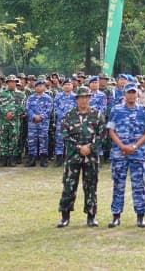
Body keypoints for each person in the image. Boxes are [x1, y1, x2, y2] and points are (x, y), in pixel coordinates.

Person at [58, 86, 106, 228]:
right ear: (77, 99)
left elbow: (102, 135)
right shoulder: (69, 115)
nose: (84, 100)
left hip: (91, 157)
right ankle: (65, 216)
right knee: (69, 185)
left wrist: (90, 147)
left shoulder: (97, 115)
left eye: (86, 97)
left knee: (91, 185)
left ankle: (91, 216)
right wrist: (79, 148)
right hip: (73, 156)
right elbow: (64, 135)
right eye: (81, 98)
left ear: (89, 99)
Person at [107, 84, 145, 228]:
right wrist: (122, 146)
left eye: (134, 92)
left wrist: (134, 146)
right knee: (118, 185)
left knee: (139, 185)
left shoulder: (144, 110)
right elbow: (111, 131)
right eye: (129, 93)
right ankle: (116, 216)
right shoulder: (116, 110)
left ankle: (140, 216)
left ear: (137, 94)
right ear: (124, 94)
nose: (131, 95)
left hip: (138, 153)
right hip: (119, 153)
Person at [0, 76, 26, 167]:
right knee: (3, 139)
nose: (12, 83)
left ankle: (12, 159)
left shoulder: (21, 94)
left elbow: (22, 107)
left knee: (14, 139)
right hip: (3, 120)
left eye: (14, 82)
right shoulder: (1, 94)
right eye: (10, 82)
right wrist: (6, 113)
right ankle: (3, 158)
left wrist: (13, 114)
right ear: (7, 83)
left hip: (15, 121)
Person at [25, 80, 54, 167]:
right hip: (32, 122)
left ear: (44, 87)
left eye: (41, 86)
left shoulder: (48, 98)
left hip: (43, 123)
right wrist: (34, 116)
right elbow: (27, 108)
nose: (39, 88)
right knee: (31, 140)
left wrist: (40, 117)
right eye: (37, 86)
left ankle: (43, 159)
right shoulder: (30, 98)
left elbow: (49, 110)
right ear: (35, 87)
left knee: (43, 140)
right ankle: (32, 159)